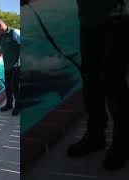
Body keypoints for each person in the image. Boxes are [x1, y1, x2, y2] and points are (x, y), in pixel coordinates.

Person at [64, 0, 129, 171]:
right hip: (87, 21)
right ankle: (96, 135)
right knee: (90, 81)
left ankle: (121, 141)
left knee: (113, 82)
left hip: (118, 20)